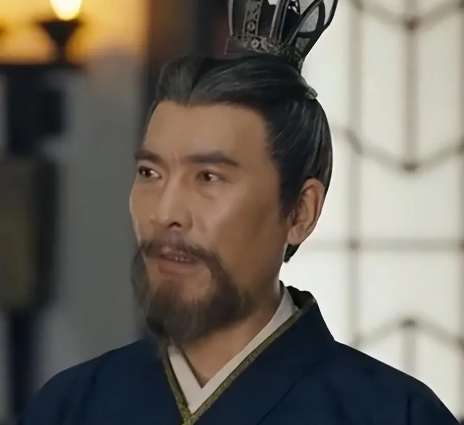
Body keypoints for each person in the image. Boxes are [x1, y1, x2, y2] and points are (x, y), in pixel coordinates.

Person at [18, 0, 460, 424]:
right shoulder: (70, 406)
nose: (165, 213)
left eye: (209, 177)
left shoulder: (393, 414)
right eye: (150, 173)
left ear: (300, 212)